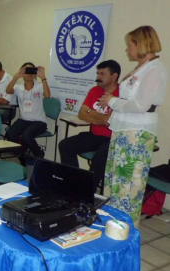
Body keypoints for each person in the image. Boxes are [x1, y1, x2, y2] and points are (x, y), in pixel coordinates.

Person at [99, 26, 168, 228]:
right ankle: (113, 223)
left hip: (136, 133)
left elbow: (141, 105)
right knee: (116, 182)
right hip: (124, 129)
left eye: (130, 44)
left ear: (140, 44)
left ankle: (124, 230)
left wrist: (112, 102)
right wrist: (113, 101)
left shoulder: (155, 70)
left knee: (129, 185)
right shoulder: (142, 67)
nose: (127, 49)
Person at [59, 60, 121, 190]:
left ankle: (87, 190)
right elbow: (82, 113)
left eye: (102, 74)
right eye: (98, 73)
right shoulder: (95, 90)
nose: (98, 77)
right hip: (94, 135)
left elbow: (110, 120)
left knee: (99, 158)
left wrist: (91, 113)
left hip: (112, 138)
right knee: (65, 145)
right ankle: (73, 182)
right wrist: (100, 119)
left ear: (114, 76)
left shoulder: (121, 94)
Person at [5, 62, 50, 159]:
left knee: (26, 136)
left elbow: (47, 95)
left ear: (35, 73)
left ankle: (39, 154)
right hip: (24, 119)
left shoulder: (39, 86)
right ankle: (21, 156)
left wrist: (43, 77)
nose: (29, 74)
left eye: (31, 71)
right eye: (26, 71)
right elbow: (8, 91)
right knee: (11, 134)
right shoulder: (18, 88)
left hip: (38, 121)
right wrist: (16, 77)